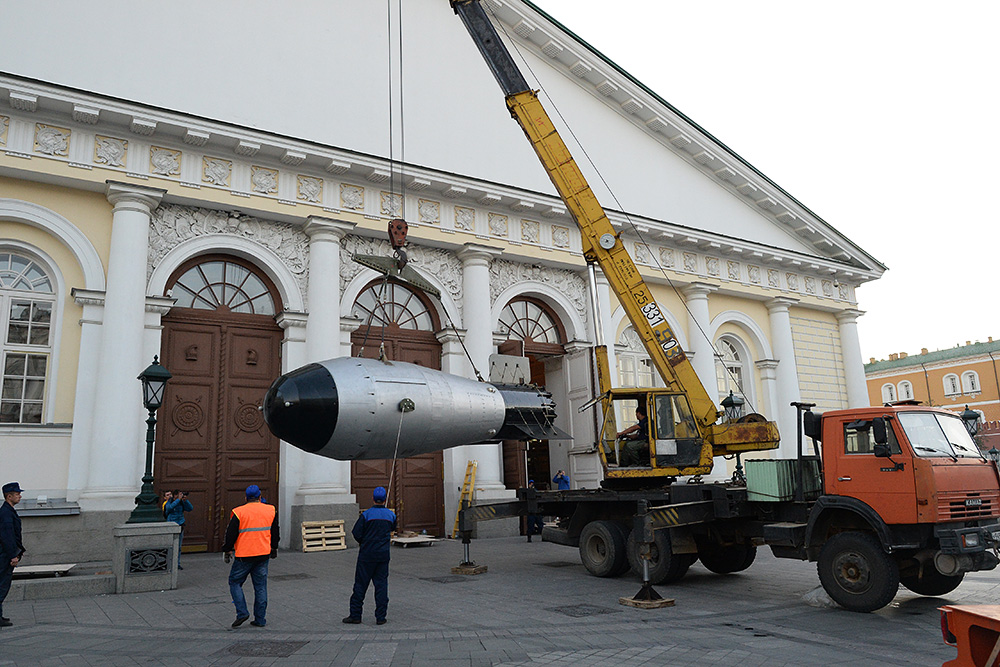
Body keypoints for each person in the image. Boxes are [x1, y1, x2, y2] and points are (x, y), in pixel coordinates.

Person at [222, 485, 278, 629]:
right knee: (260, 587)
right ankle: (260, 619)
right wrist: (274, 548)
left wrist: (227, 549)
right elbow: (275, 532)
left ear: (245, 498)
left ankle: (242, 612)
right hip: (263, 554)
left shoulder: (239, 512)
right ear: (260, 497)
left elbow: (231, 534)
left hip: (244, 556)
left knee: (235, 582)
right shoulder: (270, 510)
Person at [344, 486, 397, 626]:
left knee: (360, 585)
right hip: (383, 555)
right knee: (381, 586)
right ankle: (381, 617)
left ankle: (355, 615)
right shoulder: (390, 515)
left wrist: (364, 542)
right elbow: (393, 528)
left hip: (367, 555)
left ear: (373, 499)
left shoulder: (366, 515)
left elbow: (356, 533)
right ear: (385, 499)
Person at [0, 482, 26, 629]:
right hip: (5, 555)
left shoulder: (8, 511)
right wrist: (12, 556)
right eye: (17, 494)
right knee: (2, 585)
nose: (20, 496)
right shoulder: (6, 513)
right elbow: (7, 537)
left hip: (5, 554)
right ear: (9, 496)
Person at [164, 490, 193, 569]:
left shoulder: (181, 502)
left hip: (180, 524)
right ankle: (168, 562)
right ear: (175, 496)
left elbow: (190, 508)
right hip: (171, 525)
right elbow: (169, 508)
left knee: (179, 547)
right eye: (179, 495)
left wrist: (185, 501)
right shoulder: (169, 502)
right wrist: (177, 500)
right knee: (170, 545)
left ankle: (177, 564)